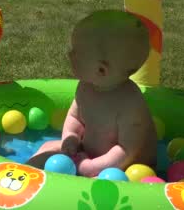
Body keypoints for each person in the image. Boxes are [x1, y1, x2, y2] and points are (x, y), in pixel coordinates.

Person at [27, 10, 157, 177]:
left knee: (103, 182)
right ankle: (20, 179)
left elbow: (127, 151)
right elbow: (75, 117)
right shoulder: (85, 86)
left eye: (76, 52)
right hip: (87, 154)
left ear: (101, 70)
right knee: (47, 148)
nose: (70, 55)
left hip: (122, 167)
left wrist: (92, 167)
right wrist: (71, 136)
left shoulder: (130, 103)